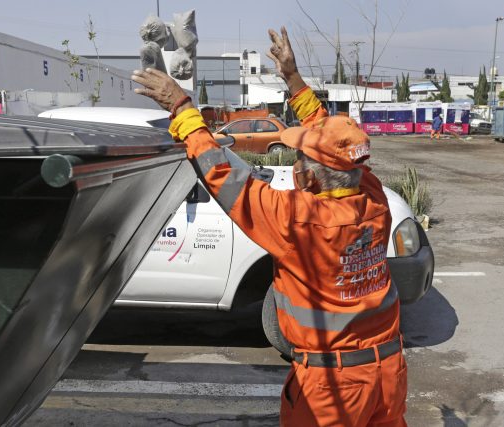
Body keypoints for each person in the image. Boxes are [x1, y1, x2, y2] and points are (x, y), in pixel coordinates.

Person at [132, 26, 407, 427]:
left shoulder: (296, 221)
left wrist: (182, 108)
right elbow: (332, 139)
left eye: (298, 156)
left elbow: (221, 174)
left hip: (332, 388)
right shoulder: (373, 197)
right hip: (388, 372)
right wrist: (293, 80)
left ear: (309, 178)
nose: (294, 160)